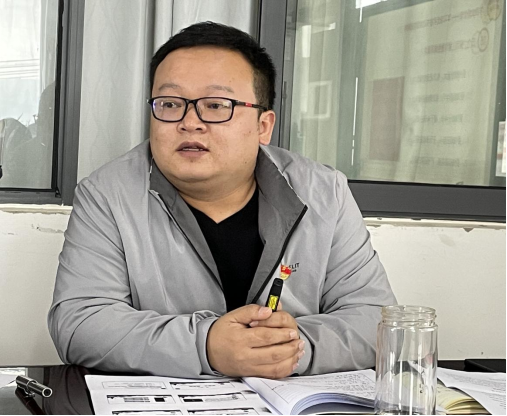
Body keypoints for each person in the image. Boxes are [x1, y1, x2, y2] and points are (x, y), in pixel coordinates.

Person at [48, 22, 396, 380]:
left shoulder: (325, 193)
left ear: (263, 125)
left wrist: (285, 349)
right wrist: (206, 345)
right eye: (170, 104)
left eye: (216, 105)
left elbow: (377, 321)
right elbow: (80, 323)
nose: (190, 123)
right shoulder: (107, 195)